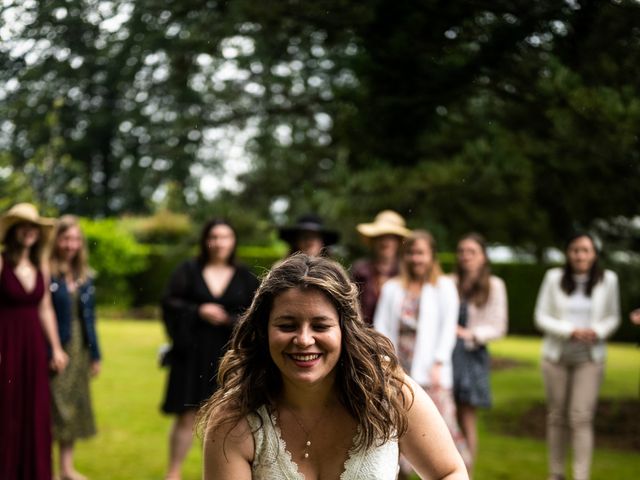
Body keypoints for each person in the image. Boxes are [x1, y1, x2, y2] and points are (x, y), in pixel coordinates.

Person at [200, 254, 469, 480]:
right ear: (264, 330)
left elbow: (449, 471)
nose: (304, 340)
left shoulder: (389, 392)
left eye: (320, 326)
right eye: (287, 325)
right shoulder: (234, 421)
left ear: (345, 330)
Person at [161, 218, 259, 480]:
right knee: (186, 415)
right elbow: (170, 303)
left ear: (233, 241)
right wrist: (198, 310)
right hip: (191, 353)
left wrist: (229, 320)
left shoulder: (245, 276)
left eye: (225, 237)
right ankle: (173, 473)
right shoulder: (188, 270)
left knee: (228, 417)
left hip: (228, 356)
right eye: (213, 237)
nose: (219, 243)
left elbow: (256, 316)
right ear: (205, 241)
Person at [374, 230, 472, 476]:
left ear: (431, 256)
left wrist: (439, 362)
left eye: (421, 253)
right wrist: (387, 362)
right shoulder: (393, 288)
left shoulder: (444, 287)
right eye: (411, 253)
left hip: (431, 366)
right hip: (399, 364)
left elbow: (447, 328)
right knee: (398, 423)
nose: (416, 259)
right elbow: (382, 327)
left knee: (441, 425)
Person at [534, 232, 620, 480]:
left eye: (585, 250)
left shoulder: (608, 280)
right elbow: (541, 316)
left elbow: (612, 316)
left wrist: (597, 331)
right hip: (556, 357)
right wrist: (570, 331)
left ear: (594, 254)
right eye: (575, 250)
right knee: (557, 416)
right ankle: (556, 473)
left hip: (589, 359)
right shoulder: (553, 278)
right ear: (568, 253)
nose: (580, 255)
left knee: (580, 417)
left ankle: (581, 476)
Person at [0, 202, 68, 480]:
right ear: (14, 230)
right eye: (23, 226)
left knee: (35, 409)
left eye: (34, 227)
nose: (29, 232)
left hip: (33, 345)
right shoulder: (2, 260)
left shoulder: (41, 264)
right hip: (6, 342)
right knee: (6, 407)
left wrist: (56, 347)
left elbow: (45, 308)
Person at [49, 215, 101, 480]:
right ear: (56, 239)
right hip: (55, 347)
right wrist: (51, 349)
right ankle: (44, 468)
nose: (71, 244)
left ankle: (66, 469)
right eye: (66, 238)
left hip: (80, 347)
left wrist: (95, 355)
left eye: (76, 239)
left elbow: (90, 318)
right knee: (52, 407)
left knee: (75, 405)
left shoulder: (84, 276)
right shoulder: (47, 272)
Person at [451, 233, 508, 474]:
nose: (465, 256)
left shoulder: (494, 285)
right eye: (462, 251)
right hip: (448, 354)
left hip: (472, 355)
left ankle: (467, 473)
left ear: (483, 257)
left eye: (471, 251)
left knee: (467, 416)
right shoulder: (449, 281)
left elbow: (499, 326)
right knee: (447, 414)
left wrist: (470, 333)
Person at [351, 210, 412, 325]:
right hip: (364, 335)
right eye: (381, 237)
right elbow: (351, 306)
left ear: (398, 242)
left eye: (391, 238)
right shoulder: (361, 271)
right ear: (373, 241)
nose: (385, 242)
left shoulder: (407, 272)